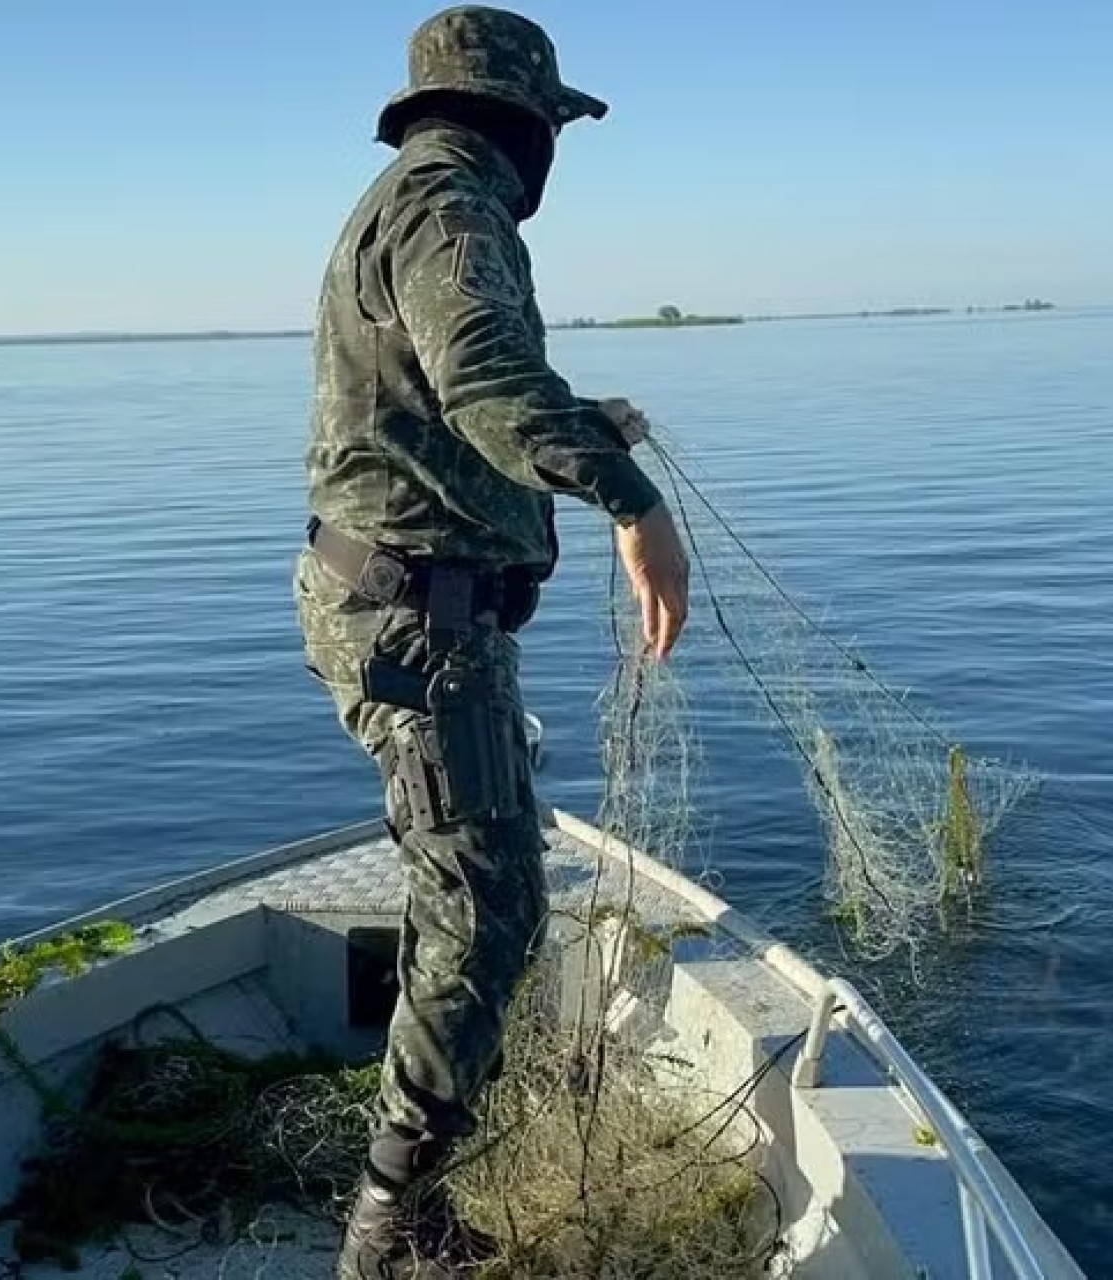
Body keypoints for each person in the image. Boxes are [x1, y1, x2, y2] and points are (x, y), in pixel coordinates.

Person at [293, 7, 691, 1275]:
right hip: (418, 624)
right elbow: (482, 385)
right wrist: (635, 506)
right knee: (490, 908)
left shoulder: (412, 200)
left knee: (468, 893)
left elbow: (445, 404)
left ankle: (405, 1185)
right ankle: (392, 1224)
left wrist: (585, 421)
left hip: (407, 606)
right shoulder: (452, 207)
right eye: (554, 127)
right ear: (524, 122)